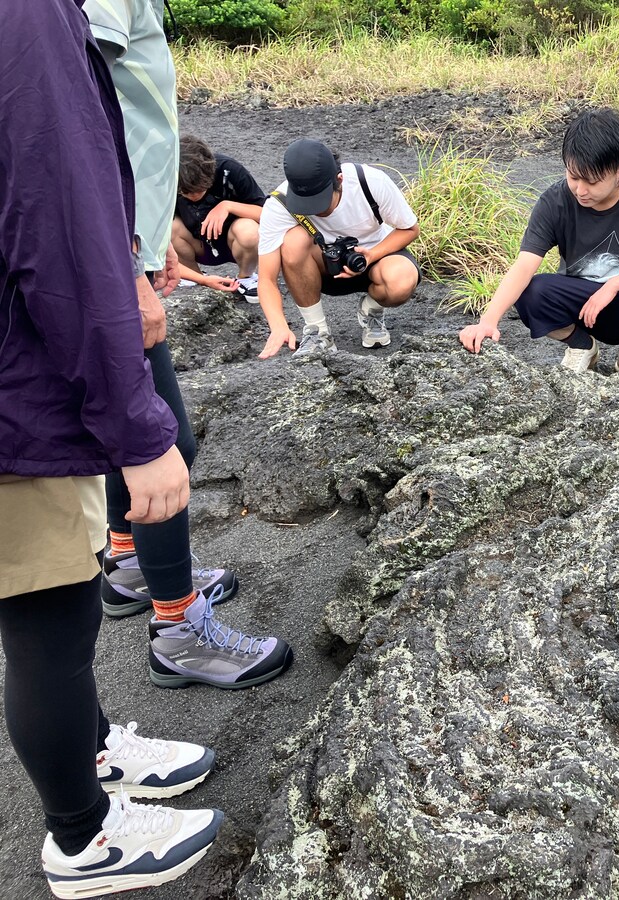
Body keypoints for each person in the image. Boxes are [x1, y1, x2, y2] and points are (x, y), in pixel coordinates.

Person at [1, 2, 223, 895]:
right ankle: (83, 839)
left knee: (42, 599)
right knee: (48, 612)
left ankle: (92, 751)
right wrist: (138, 431)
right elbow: (58, 223)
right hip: (19, 377)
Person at [83, 0, 293, 687]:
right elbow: (85, 110)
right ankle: (177, 627)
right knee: (165, 442)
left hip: (127, 243)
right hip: (108, 252)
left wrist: (146, 241)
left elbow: (137, 119)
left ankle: (129, 561)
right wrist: (124, 259)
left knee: (144, 430)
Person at [459, 107, 619, 373]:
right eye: (573, 177)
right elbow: (524, 264)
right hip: (579, 305)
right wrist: (488, 320)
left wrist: (614, 284)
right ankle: (581, 345)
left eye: (591, 181)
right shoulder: (554, 201)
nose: (580, 190)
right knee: (532, 292)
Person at [256, 138, 421, 359]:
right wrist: (278, 326)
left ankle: (371, 309)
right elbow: (266, 278)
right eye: (305, 203)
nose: (315, 210)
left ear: (339, 180)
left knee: (402, 281)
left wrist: (372, 255)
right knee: (293, 241)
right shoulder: (280, 203)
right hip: (322, 268)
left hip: (374, 258)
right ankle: (317, 332)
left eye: (321, 202)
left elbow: (410, 229)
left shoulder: (369, 182)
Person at [172, 133, 266, 300]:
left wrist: (227, 206)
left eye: (200, 189)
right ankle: (193, 277)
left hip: (234, 243)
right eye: (186, 192)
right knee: (168, 228)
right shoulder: (167, 180)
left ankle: (246, 277)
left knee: (250, 230)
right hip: (196, 244)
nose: (193, 195)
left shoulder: (229, 170)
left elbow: (266, 214)